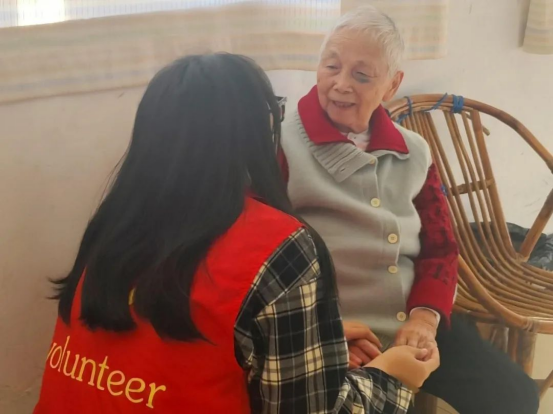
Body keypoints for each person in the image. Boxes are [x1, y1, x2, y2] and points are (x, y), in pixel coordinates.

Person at [34, 54, 440, 414]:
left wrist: (314, 341)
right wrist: (393, 375)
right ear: (257, 132)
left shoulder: (115, 223)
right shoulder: (281, 247)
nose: (341, 85)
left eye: (362, 74)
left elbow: (183, 347)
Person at [279, 6, 540, 414]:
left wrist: (424, 319)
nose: (340, 84)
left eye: (361, 75)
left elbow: (441, 248)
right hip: (332, 332)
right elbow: (266, 263)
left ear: (392, 84)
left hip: (412, 322)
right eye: (331, 66)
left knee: (513, 397)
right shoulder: (282, 143)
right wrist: (322, 334)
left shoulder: (413, 151)